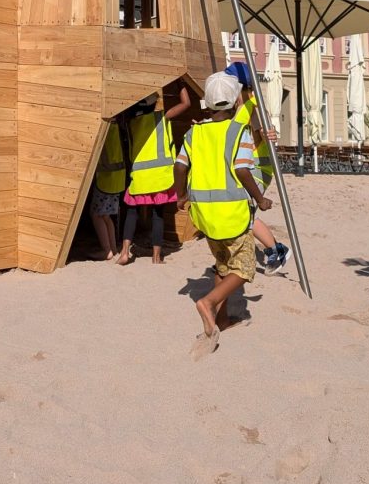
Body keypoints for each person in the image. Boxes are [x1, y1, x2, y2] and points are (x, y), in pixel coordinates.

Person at [175, 72, 273, 353]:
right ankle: (207, 303)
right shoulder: (237, 132)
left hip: (204, 214)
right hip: (232, 213)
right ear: (234, 104)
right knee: (243, 269)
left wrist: (180, 195)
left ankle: (223, 318)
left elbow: (180, 167)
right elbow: (242, 169)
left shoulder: (195, 132)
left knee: (222, 265)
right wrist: (260, 198)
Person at [226, 61, 291, 275]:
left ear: (241, 86)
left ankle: (276, 250)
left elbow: (263, 131)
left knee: (244, 212)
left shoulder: (253, 105)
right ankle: (243, 255)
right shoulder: (237, 107)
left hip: (256, 166)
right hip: (245, 164)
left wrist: (268, 134)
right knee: (240, 211)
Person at [118, 83, 191, 265]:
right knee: (158, 215)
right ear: (153, 104)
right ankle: (156, 257)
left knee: (132, 214)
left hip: (140, 178)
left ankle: (125, 252)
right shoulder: (162, 117)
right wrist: (180, 83)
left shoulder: (129, 122)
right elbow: (186, 103)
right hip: (160, 177)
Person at [89, 118, 125, 260]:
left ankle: (106, 251)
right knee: (106, 215)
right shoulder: (116, 127)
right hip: (117, 177)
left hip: (106, 177)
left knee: (96, 215)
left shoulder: (104, 126)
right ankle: (113, 248)